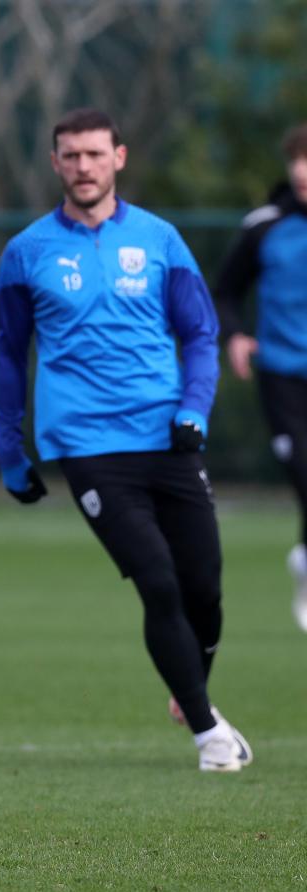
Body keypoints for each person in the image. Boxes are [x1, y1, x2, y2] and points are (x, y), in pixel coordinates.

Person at [0, 107, 252, 773]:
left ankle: (190, 681)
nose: (83, 167)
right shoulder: (26, 251)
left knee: (206, 589)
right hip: (86, 446)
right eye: (71, 156)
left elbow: (200, 333)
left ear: (119, 159)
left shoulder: (161, 240)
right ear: (56, 163)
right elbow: (5, 356)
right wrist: (11, 452)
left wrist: (196, 407)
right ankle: (207, 733)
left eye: (95, 155)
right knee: (158, 582)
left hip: (169, 435)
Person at [212, 122, 307, 630]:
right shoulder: (264, 226)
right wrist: (237, 335)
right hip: (284, 376)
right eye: (296, 159)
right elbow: (225, 290)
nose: (301, 169)